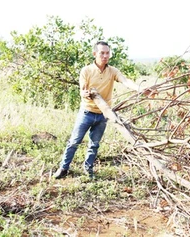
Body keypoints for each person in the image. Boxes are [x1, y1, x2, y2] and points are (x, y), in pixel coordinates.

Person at [53, 41, 141, 179]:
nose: (105, 56)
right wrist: (85, 94)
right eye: (102, 53)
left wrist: (140, 89)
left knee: (94, 144)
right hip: (86, 112)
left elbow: (125, 81)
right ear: (95, 54)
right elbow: (82, 89)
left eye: (107, 53)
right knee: (74, 141)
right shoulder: (86, 70)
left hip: (102, 115)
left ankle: (88, 169)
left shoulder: (112, 71)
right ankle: (63, 168)